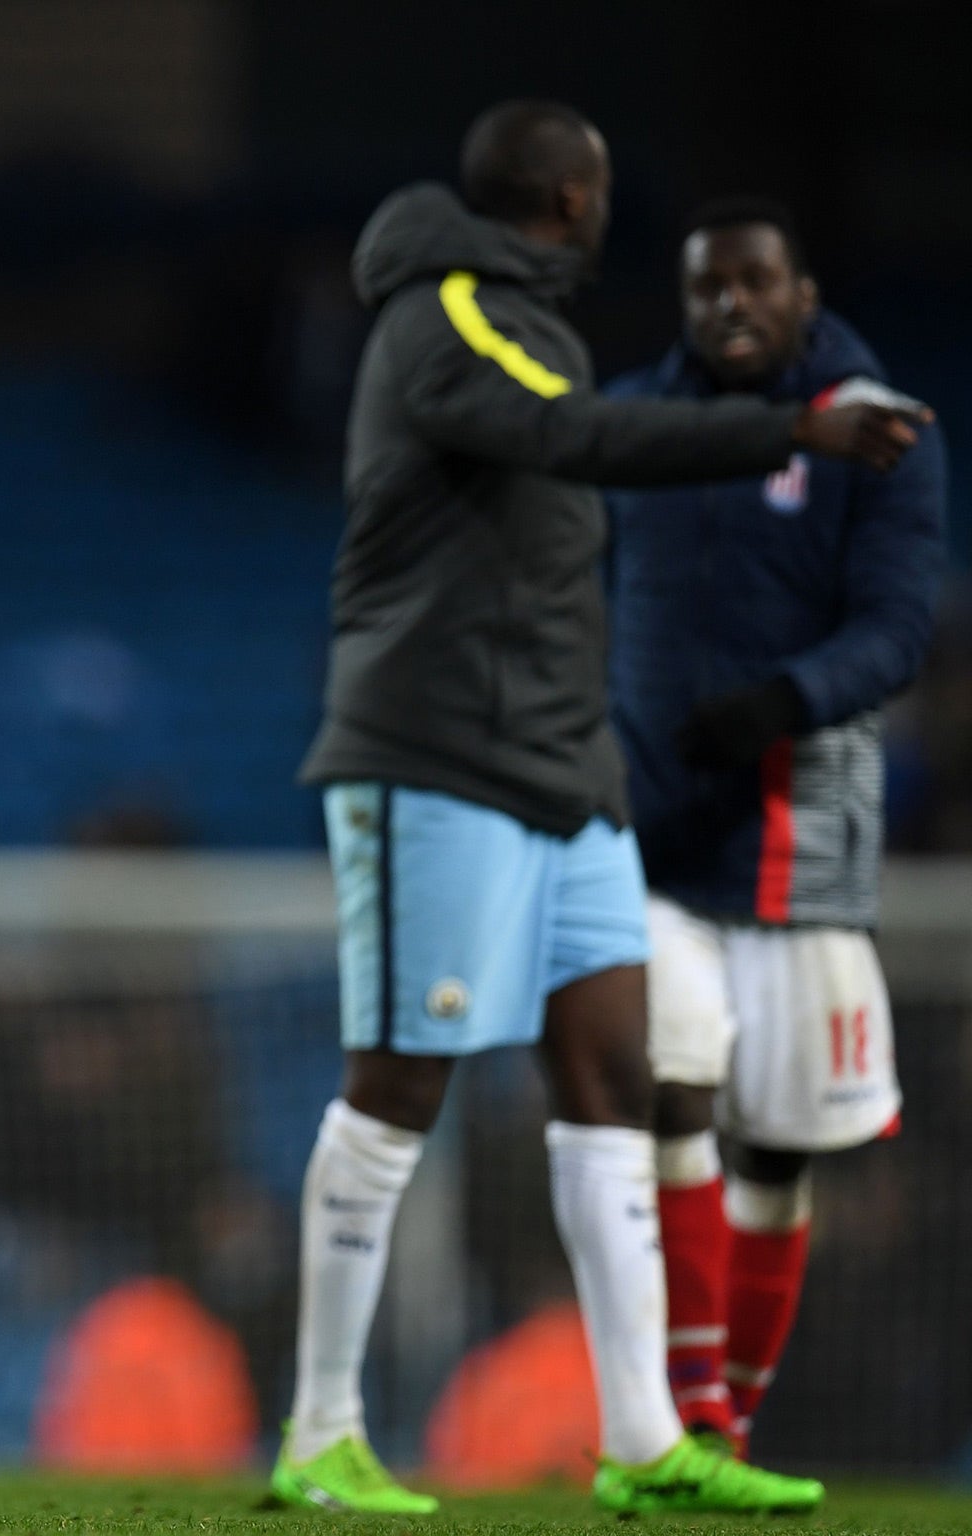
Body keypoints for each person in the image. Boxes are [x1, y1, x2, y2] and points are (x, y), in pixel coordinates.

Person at [281, 100, 926, 1518]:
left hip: (564, 776)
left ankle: (646, 1444)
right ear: (577, 202)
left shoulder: (527, 317)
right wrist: (794, 428)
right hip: (436, 756)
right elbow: (572, 436)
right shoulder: (455, 308)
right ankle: (320, 1429)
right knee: (399, 1089)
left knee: (612, 1083)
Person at [607, 200, 946, 1460]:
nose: (728, 307)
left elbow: (899, 627)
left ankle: (727, 1422)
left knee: (774, 1150)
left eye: (753, 283)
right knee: (669, 1082)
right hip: (646, 836)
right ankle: (689, 1410)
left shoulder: (884, 432)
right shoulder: (637, 424)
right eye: (705, 288)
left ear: (801, 293)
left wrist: (781, 700)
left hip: (795, 835)